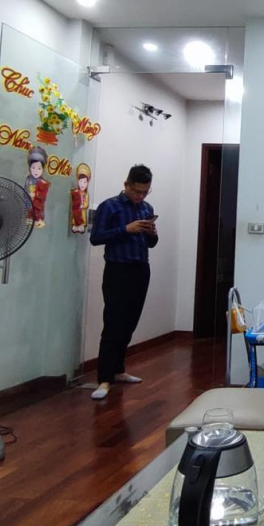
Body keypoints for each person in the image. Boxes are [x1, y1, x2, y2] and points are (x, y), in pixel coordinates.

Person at [88, 164, 159, 400]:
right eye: (137, 191)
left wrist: (150, 232)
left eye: (145, 192)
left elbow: (152, 243)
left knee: (130, 322)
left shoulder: (146, 208)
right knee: (113, 323)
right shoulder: (110, 206)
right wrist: (126, 229)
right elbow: (96, 238)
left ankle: (118, 370)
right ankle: (104, 379)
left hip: (141, 269)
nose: (141, 196)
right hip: (117, 270)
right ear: (126, 184)